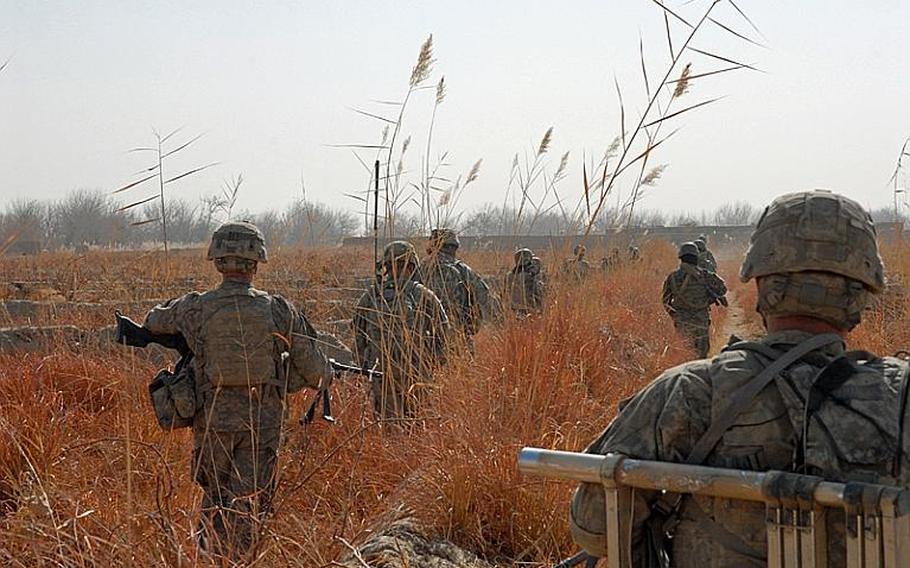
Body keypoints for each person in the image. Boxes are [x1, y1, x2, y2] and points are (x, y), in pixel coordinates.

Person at [570, 190, 904, 567]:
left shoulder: (687, 391)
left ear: (761, 283)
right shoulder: (902, 396)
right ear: (861, 296)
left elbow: (595, 528)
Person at [143, 221, 331, 558]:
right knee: (250, 503)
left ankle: (210, 558)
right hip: (262, 424)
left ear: (216, 260)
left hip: (213, 422)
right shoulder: (278, 310)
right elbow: (318, 373)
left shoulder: (195, 307)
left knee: (214, 498)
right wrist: (288, 380)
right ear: (256, 261)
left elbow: (152, 321)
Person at [353, 241, 449, 419]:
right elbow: (444, 333)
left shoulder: (371, 295)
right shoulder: (423, 294)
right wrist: (433, 363)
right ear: (412, 265)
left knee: (388, 426)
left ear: (386, 266)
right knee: (419, 425)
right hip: (416, 374)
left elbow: (358, 333)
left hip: (381, 374)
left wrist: (366, 365)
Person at [420, 228, 499, 341]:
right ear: (453, 247)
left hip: (426, 336)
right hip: (458, 335)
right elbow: (485, 296)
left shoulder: (419, 268)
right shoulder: (462, 269)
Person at [661, 242, 728, 357]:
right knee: (701, 356)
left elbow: (665, 301)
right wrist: (709, 298)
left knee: (684, 354)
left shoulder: (672, 277)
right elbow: (723, 289)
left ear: (681, 258)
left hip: (682, 321)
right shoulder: (705, 275)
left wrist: (674, 314)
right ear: (696, 257)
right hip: (701, 320)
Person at [506, 248, 545, 316]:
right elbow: (537, 294)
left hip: (513, 309)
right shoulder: (529, 276)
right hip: (529, 310)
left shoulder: (509, 276)